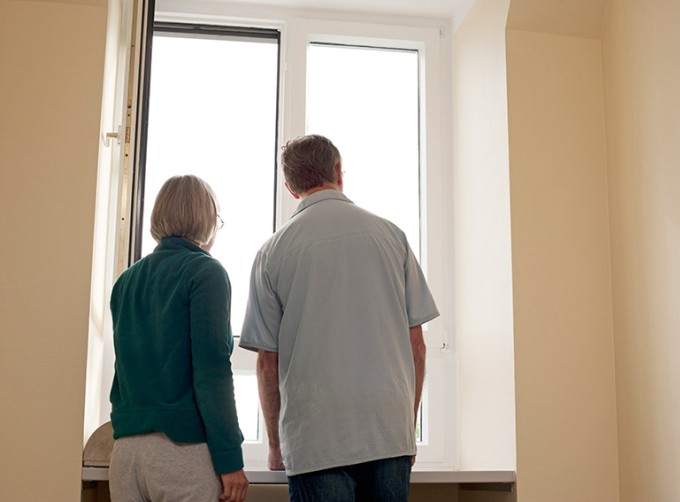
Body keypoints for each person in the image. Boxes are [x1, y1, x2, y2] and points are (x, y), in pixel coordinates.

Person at [240, 135, 439, 501]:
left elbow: (268, 362)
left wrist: (275, 445)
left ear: (290, 187)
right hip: (387, 431)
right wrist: (405, 429)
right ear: (338, 171)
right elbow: (417, 347)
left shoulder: (273, 252)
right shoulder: (392, 237)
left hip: (315, 438)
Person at [109, 175, 249, 502]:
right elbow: (212, 371)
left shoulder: (126, 281)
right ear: (208, 220)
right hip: (181, 454)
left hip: (126, 455)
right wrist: (230, 458)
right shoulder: (205, 272)